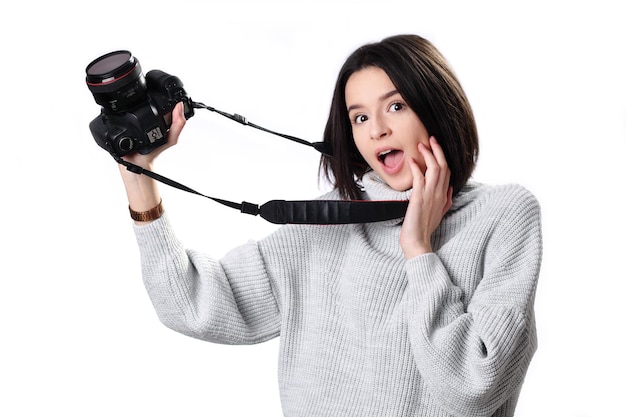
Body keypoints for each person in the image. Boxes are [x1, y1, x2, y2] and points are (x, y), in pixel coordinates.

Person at [117, 34, 542, 417]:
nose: (377, 130)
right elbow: (189, 304)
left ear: (436, 107)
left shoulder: (502, 214)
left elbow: (473, 386)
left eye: (396, 106)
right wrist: (138, 174)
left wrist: (418, 248)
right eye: (359, 117)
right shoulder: (328, 222)